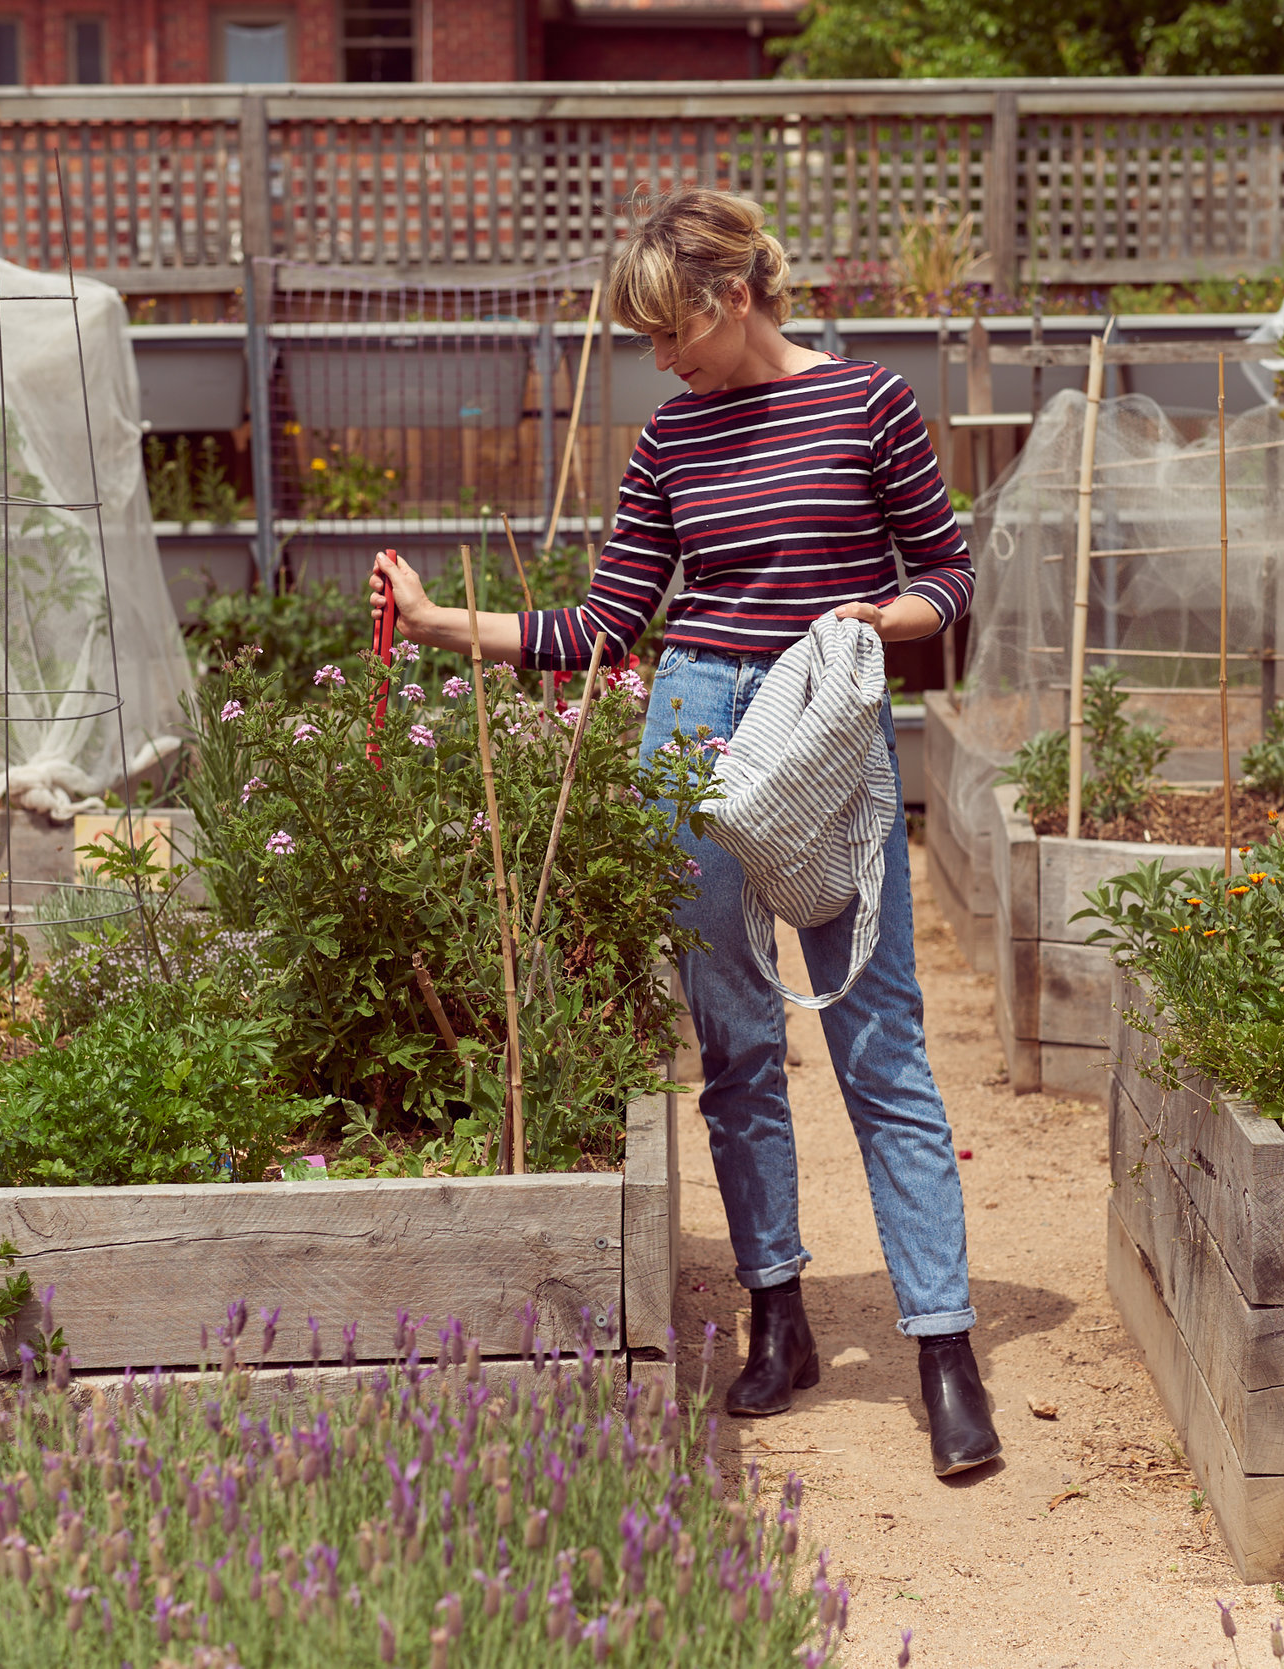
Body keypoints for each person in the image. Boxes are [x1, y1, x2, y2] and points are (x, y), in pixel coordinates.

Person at [368, 188, 998, 1478]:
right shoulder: (670, 437)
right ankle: (780, 1317)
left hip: (824, 730)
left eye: (669, 330)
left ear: (728, 299)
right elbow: (602, 629)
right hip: (696, 725)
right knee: (735, 1042)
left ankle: (944, 1346)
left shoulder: (870, 402)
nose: (659, 358)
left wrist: (886, 622)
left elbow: (951, 578)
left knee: (881, 1040)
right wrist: (439, 627)